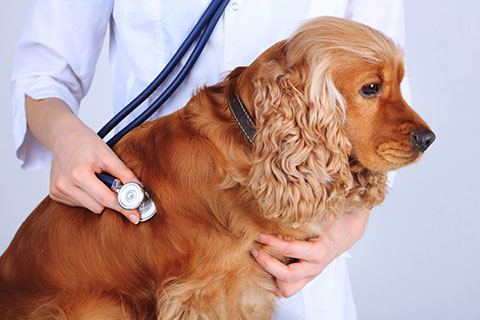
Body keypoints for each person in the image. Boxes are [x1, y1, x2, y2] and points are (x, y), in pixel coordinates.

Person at [11, 0, 407, 318]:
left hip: (307, 242)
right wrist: (66, 139)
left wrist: (344, 230)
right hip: (142, 214)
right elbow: (45, 73)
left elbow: (383, 109)